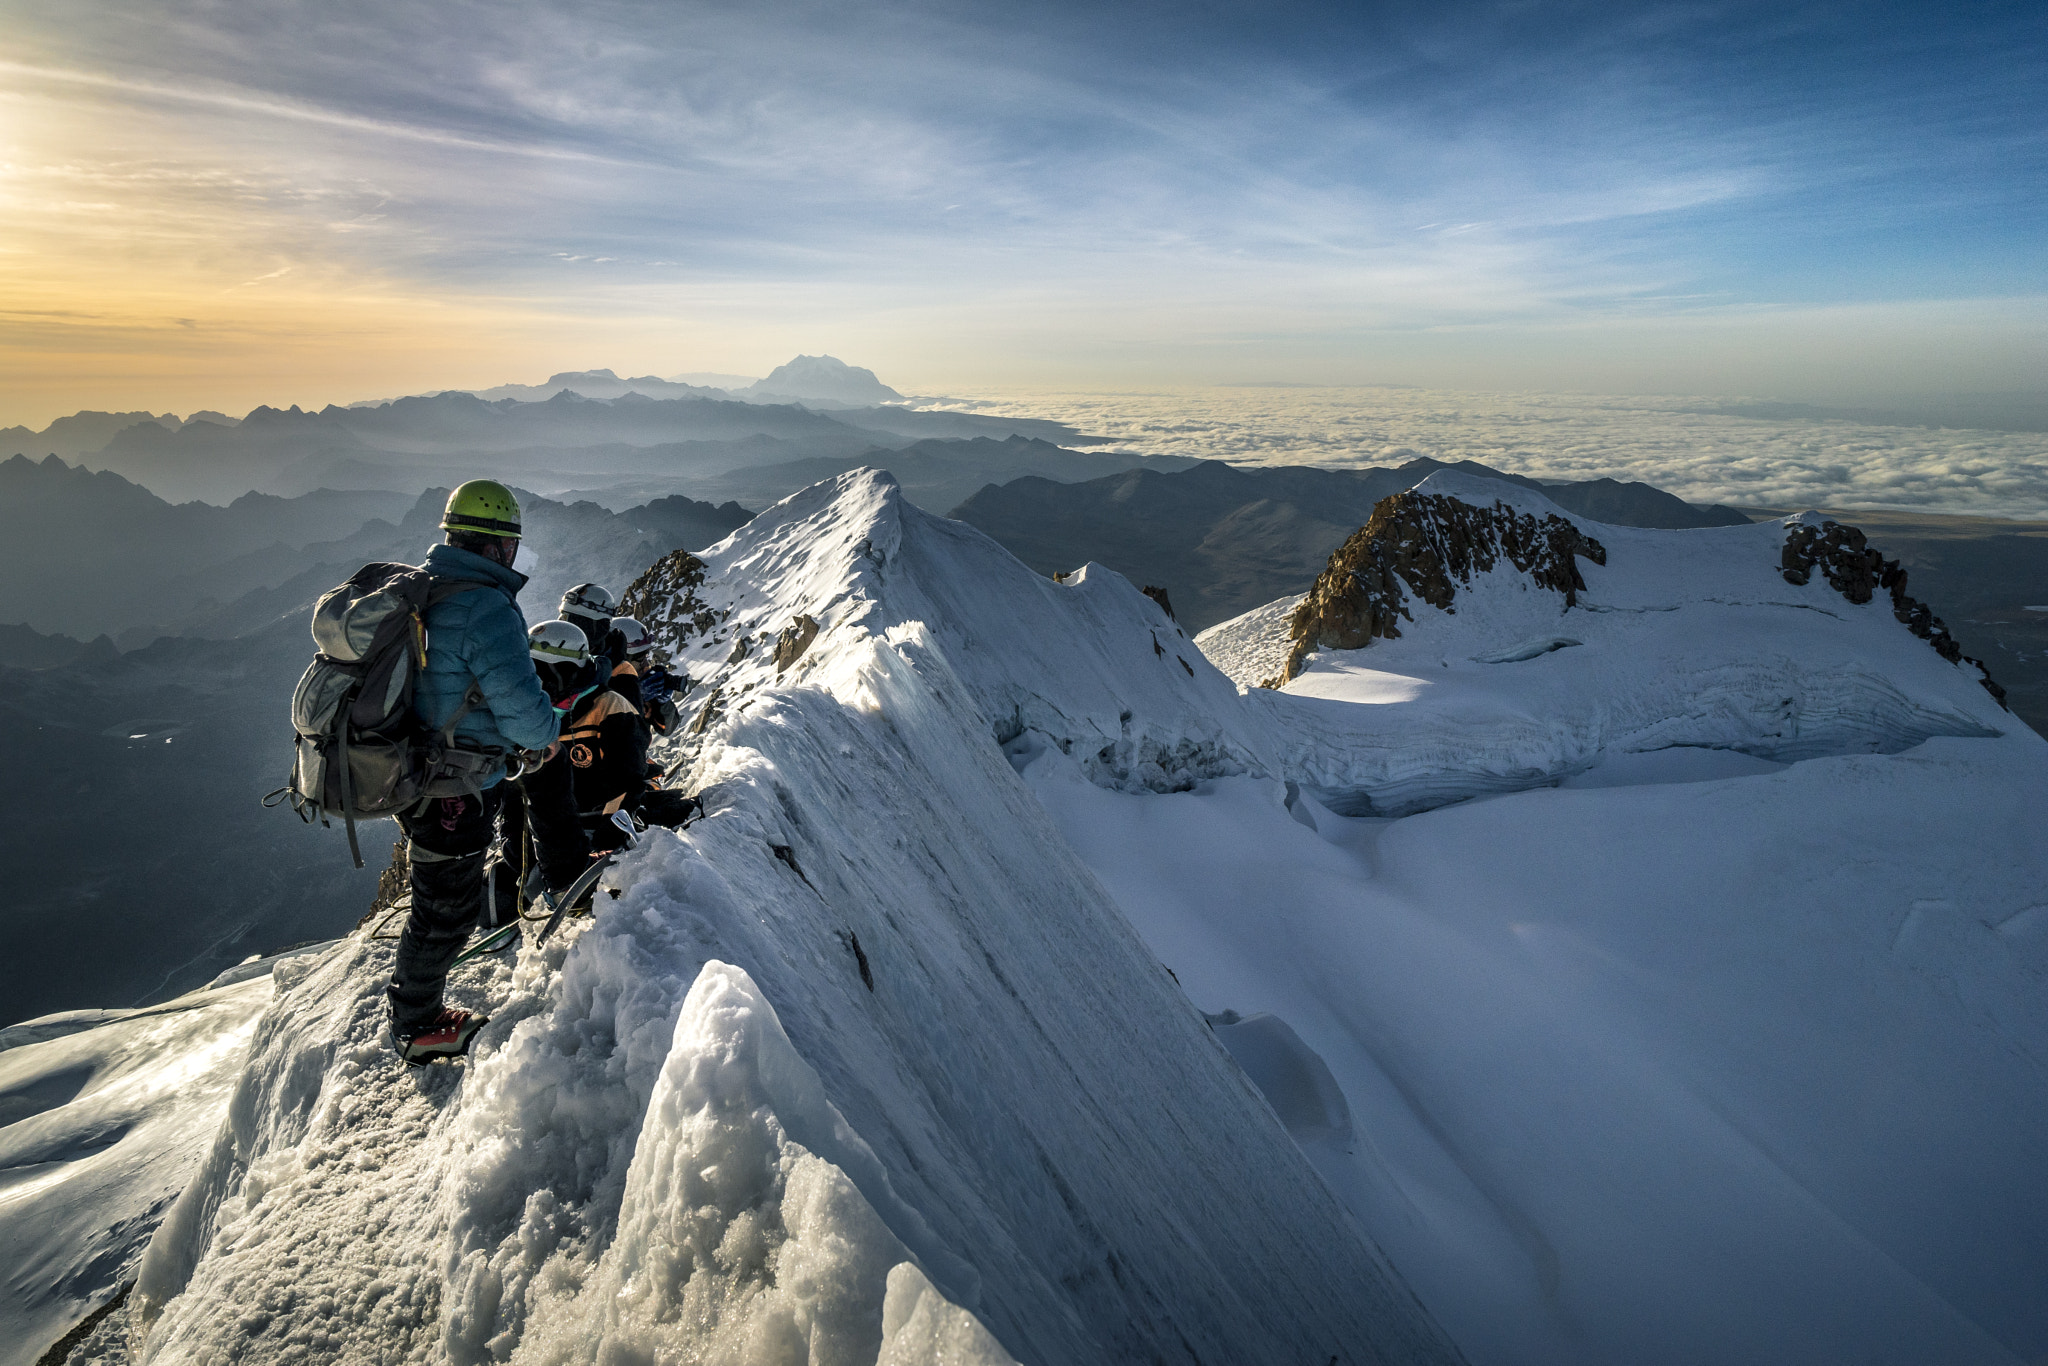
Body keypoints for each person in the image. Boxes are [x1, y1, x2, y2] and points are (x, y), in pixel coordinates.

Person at [387, 480, 558, 1065]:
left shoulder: (430, 586)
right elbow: (525, 712)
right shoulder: (485, 606)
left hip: (417, 772)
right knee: (445, 909)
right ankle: (416, 1025)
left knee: (439, 898)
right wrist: (548, 736)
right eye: (510, 546)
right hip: (450, 788)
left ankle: (415, 1012)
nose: (513, 558)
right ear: (495, 548)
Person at [486, 622, 599, 931]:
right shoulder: (535, 712)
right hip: (525, 841)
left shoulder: (505, 686)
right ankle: (566, 882)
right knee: (550, 770)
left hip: (498, 825)